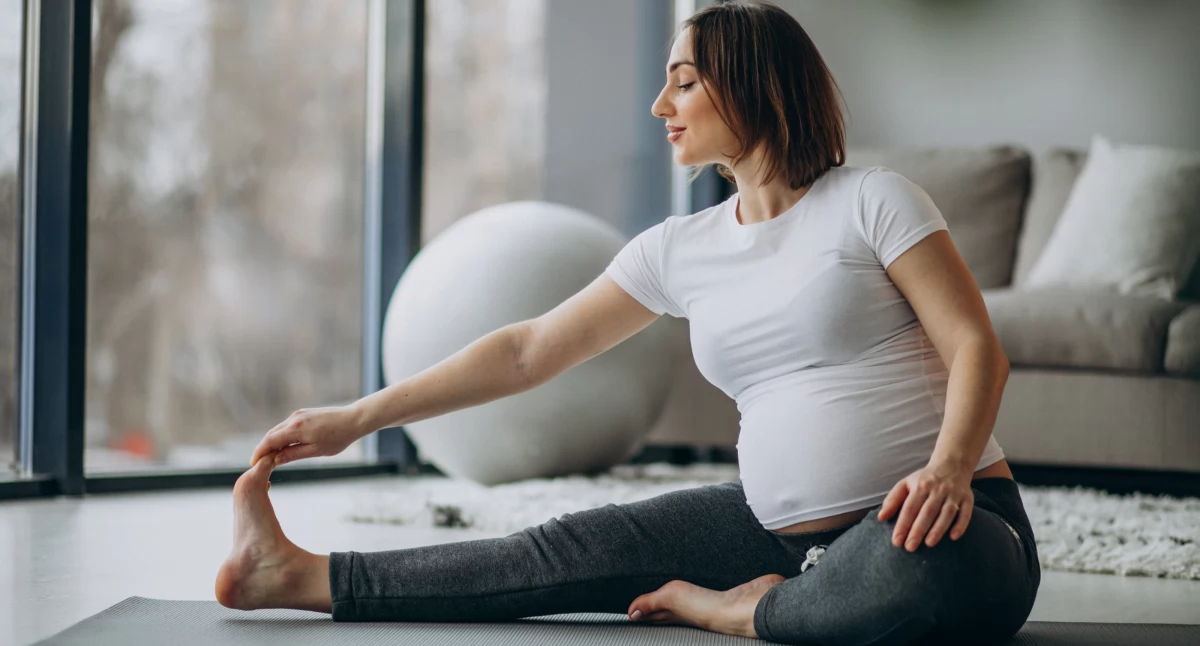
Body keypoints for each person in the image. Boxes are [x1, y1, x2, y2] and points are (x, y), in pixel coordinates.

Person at [215, 1, 1040, 643]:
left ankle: (744, 615)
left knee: (925, 569)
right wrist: (358, 418)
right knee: (562, 550)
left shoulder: (872, 200)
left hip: (946, 526)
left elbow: (976, 349)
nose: (660, 105)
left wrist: (948, 470)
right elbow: (528, 351)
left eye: (683, 81)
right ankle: (296, 576)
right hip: (769, 531)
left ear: (751, 81)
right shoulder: (681, 249)